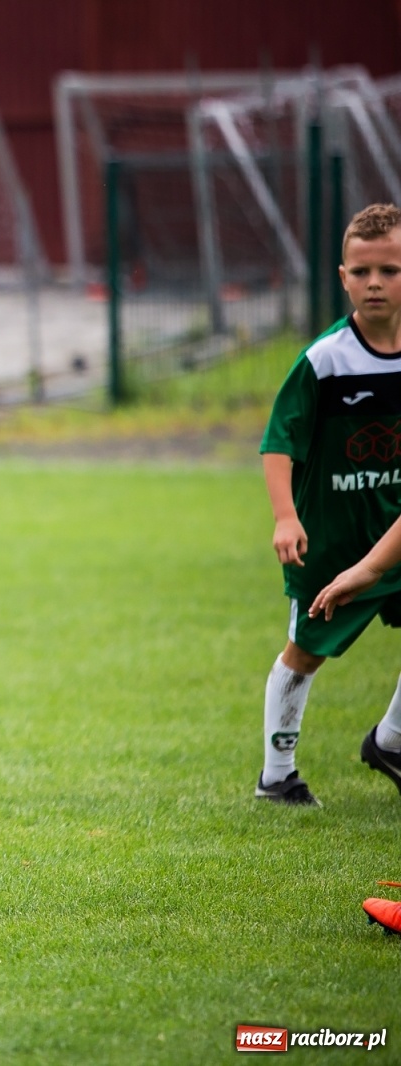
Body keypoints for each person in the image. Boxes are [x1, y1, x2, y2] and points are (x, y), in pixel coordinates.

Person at [256, 203, 401, 807]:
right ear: (343, 278)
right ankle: (277, 775)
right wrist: (285, 517)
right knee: (306, 653)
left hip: (393, 535)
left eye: (390, 270)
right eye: (362, 272)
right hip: (331, 542)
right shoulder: (326, 359)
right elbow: (278, 440)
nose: (375, 283)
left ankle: (392, 741)